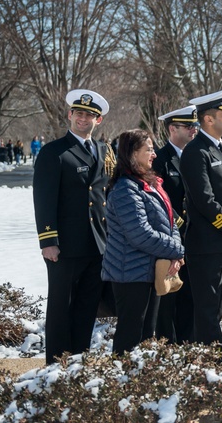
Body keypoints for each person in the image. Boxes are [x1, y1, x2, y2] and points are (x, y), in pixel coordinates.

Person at [33, 89, 111, 364]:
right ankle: (55, 365)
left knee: (87, 307)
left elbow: (105, 197)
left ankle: (78, 361)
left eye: (90, 115)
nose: (83, 119)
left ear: (98, 120)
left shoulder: (104, 150)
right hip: (64, 246)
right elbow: (44, 200)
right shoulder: (54, 152)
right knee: (60, 308)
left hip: (96, 247)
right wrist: (48, 241)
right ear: (70, 115)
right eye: (79, 113)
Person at [102, 129, 184, 355]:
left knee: (147, 336)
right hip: (130, 274)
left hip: (149, 271)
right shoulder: (125, 189)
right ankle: (122, 383)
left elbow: (171, 221)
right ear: (132, 154)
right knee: (131, 337)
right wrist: (177, 250)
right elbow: (140, 234)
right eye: (148, 149)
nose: (154, 154)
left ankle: (140, 384)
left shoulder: (149, 183)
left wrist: (175, 251)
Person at [181, 88, 222, 345]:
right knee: (207, 309)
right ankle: (209, 360)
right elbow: (204, 201)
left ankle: (210, 357)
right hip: (206, 244)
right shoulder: (196, 152)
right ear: (208, 119)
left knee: (218, 308)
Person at [152, 105, 199, 344]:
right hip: (170, 240)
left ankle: (187, 345)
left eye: (195, 125)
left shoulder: (194, 156)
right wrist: (180, 226)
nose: (194, 130)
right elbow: (158, 203)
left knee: (190, 297)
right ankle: (167, 349)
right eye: (188, 126)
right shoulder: (160, 160)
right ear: (172, 129)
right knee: (168, 298)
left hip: (195, 240)